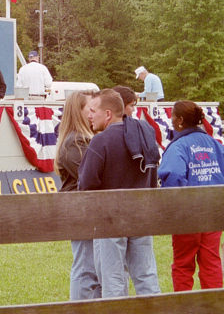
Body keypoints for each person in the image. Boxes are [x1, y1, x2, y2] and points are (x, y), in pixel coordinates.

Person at [78, 89, 161, 298]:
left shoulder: (101, 141)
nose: (89, 115)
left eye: (93, 110)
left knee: (112, 278)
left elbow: (86, 184)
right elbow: (153, 173)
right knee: (146, 276)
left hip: (109, 219)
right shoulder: (144, 133)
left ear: (107, 114)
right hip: (141, 213)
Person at [158, 100, 224, 292]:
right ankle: (214, 307)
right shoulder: (214, 144)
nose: (171, 120)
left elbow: (173, 176)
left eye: (173, 116)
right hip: (213, 214)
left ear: (180, 120)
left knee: (183, 265)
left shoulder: (177, 146)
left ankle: (186, 308)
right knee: (211, 263)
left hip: (188, 216)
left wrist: (179, 205)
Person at [54, 91, 100, 300]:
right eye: (91, 109)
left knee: (95, 268)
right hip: (81, 211)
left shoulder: (87, 139)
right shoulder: (75, 142)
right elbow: (88, 177)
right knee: (85, 267)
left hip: (90, 210)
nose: (94, 114)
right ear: (78, 112)